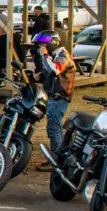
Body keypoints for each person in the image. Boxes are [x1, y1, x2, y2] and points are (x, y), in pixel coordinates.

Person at [34, 30, 75, 168]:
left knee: (54, 128)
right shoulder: (57, 55)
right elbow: (52, 74)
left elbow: (56, 70)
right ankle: (58, 157)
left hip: (59, 98)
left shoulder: (63, 55)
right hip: (54, 97)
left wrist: (44, 56)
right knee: (53, 127)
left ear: (52, 43)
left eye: (42, 44)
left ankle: (57, 160)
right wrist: (41, 75)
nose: (41, 47)